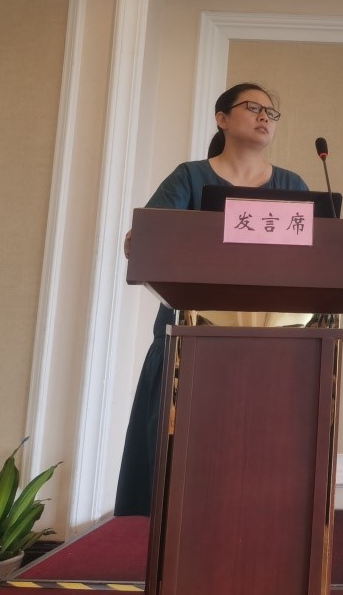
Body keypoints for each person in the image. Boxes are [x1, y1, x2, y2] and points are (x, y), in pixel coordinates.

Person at [114, 82, 309, 517]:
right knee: (182, 464)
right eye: (253, 107)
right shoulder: (189, 177)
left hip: (271, 348)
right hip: (192, 341)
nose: (264, 117)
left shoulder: (292, 185)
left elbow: (311, 259)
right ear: (222, 119)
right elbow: (146, 240)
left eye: (271, 113)